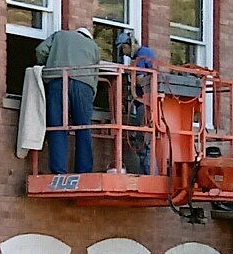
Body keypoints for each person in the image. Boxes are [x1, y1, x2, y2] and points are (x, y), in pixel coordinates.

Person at [35, 27, 101, 174]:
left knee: (57, 126)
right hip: (84, 85)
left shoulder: (59, 35)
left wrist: (47, 65)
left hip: (57, 80)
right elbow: (95, 76)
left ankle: (58, 170)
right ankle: (84, 171)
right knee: (83, 128)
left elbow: (41, 51)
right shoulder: (94, 46)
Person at [115, 32, 157, 175]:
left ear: (128, 45)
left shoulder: (141, 55)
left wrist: (130, 74)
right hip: (148, 102)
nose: (125, 55)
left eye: (123, 50)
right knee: (145, 141)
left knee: (143, 143)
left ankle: (150, 176)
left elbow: (141, 79)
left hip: (145, 103)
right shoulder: (146, 53)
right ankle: (150, 174)